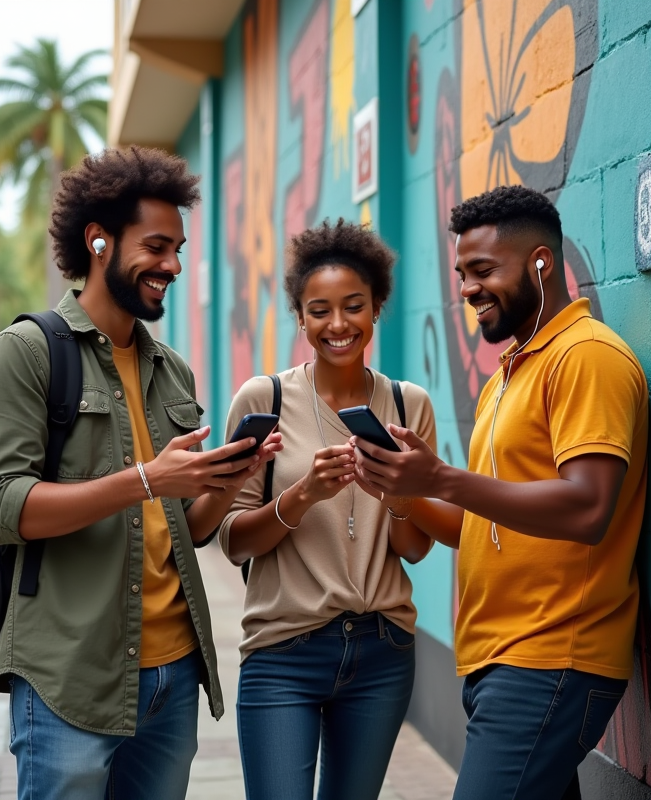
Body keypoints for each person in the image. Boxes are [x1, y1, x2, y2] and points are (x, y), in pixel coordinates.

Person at [0, 145, 281, 800]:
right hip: (68, 675)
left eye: (178, 248)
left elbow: (186, 528)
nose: (172, 265)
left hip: (172, 672)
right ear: (99, 239)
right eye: (158, 245)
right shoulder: (26, 353)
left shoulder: (172, 368)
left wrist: (223, 483)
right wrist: (145, 480)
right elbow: (2, 508)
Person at [353, 186, 649, 800]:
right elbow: (478, 524)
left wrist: (439, 477)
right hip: (500, 656)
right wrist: (400, 491)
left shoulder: (586, 358)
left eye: (484, 270)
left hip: (551, 655)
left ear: (541, 262)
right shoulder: (507, 378)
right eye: (462, 273)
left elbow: (590, 507)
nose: (467, 288)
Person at [218, 219, 438, 800]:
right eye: (319, 310)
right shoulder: (262, 398)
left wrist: (392, 494)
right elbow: (234, 541)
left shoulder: (407, 405)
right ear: (300, 317)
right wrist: (300, 497)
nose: (337, 325)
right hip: (282, 649)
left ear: (377, 308)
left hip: (382, 650)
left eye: (353, 307)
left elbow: (415, 548)